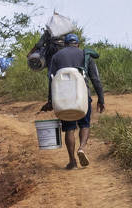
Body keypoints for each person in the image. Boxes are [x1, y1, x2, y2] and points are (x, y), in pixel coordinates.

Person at [41, 33, 103, 170]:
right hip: (82, 96)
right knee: (84, 124)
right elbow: (95, 79)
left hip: (63, 98)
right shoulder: (85, 54)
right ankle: (81, 148)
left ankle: (72, 161)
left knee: (69, 129)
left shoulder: (57, 56)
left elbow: (51, 79)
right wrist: (101, 98)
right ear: (78, 44)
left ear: (65, 44)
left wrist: (50, 100)